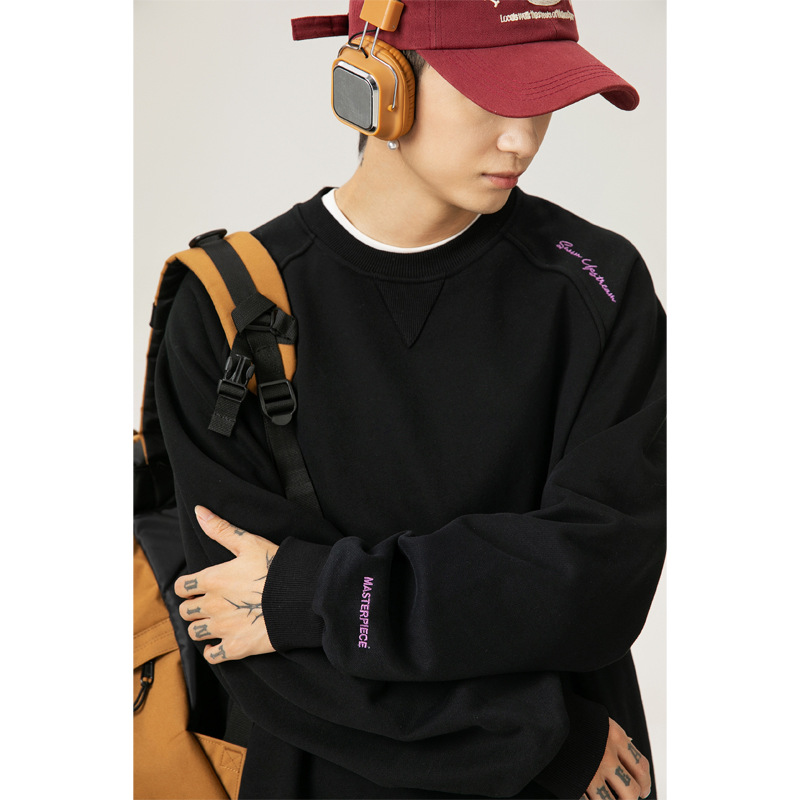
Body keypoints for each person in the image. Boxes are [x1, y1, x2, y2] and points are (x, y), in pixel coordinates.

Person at [155, 1, 665, 797]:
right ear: (376, 84)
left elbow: (596, 581)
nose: (522, 140)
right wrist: (536, 736)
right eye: (492, 98)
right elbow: (235, 625)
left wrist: (317, 594)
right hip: (473, 764)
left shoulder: (598, 285)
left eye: (543, 102)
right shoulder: (226, 305)